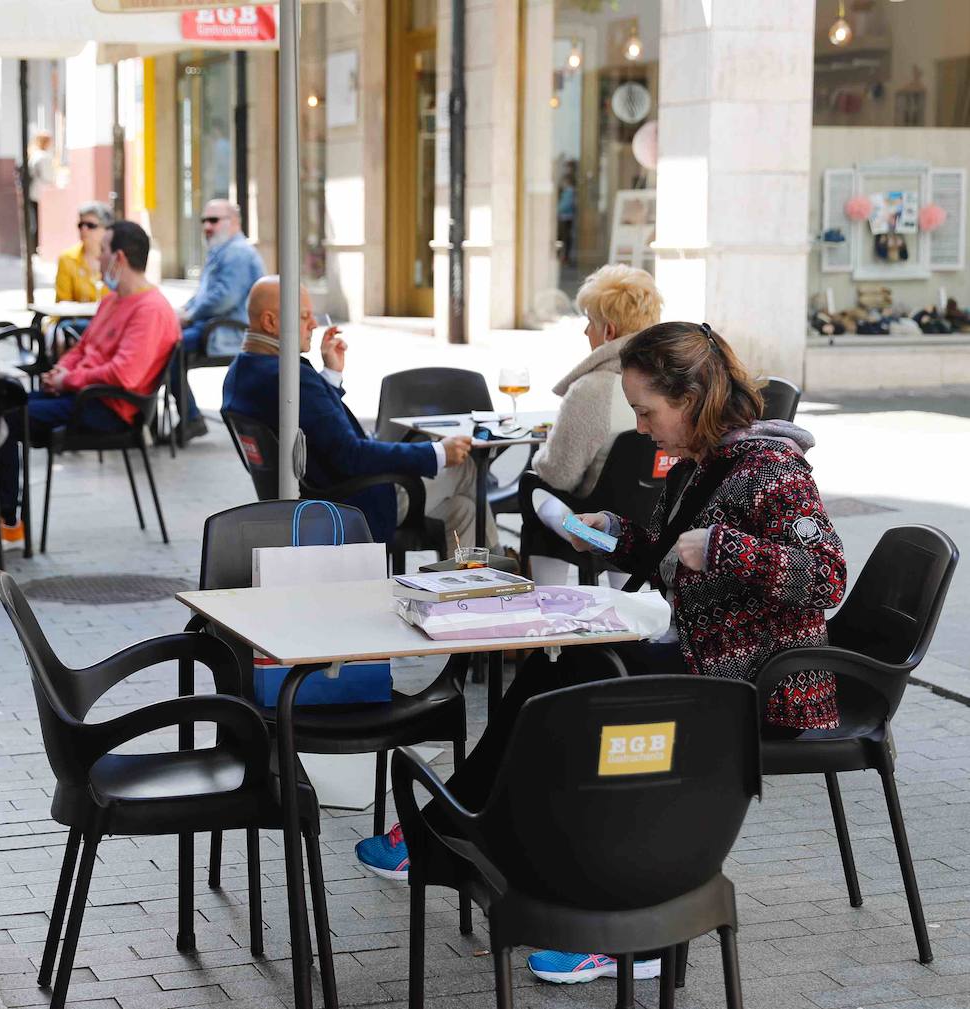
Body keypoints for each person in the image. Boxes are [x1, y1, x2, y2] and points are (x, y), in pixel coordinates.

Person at [355, 320, 846, 986]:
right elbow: (673, 550)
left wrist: (726, 548)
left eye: (647, 410)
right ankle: (470, 837)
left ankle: (620, 924)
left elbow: (827, 574)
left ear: (694, 396)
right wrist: (611, 536)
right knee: (565, 667)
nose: (641, 426)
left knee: (591, 691)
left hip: (760, 682)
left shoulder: (771, 467)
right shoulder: (710, 462)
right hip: (712, 660)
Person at [0, 221, 179, 555]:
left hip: (110, 408)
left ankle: (6, 521)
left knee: (6, 424)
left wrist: (68, 380)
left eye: (103, 251)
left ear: (120, 258)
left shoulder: (151, 309)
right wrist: (61, 371)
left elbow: (124, 374)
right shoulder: (112, 300)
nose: (97, 259)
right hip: (81, 394)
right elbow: (82, 348)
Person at [222, 276, 492, 556]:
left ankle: (473, 577)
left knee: (463, 510)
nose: (313, 324)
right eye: (304, 317)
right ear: (270, 322)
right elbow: (351, 455)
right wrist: (436, 452)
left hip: (313, 496)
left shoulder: (242, 372)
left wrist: (331, 375)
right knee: (465, 467)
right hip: (350, 502)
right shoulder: (290, 378)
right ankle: (506, 571)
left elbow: (313, 425)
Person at [519, 263, 662, 583]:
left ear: (608, 330)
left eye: (589, 323)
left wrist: (542, 454)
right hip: (653, 514)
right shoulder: (666, 382)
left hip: (595, 517)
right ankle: (626, 593)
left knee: (534, 488)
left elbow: (559, 475)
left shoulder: (591, 388)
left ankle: (547, 599)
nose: (586, 332)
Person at [171, 199, 265, 442]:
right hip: (212, 327)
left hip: (228, 332)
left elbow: (223, 298)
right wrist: (183, 310)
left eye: (213, 220)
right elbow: (205, 295)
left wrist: (190, 315)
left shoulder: (238, 253)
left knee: (169, 346)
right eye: (204, 220)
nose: (207, 226)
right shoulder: (222, 250)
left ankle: (190, 419)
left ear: (234, 222)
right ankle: (184, 417)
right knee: (162, 341)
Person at [50, 201, 111, 349]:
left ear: (106, 229)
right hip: (75, 322)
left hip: (108, 322)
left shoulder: (115, 258)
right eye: (80, 225)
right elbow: (62, 302)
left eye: (90, 225)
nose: (84, 229)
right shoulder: (67, 259)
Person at [26, 130, 56, 254]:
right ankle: (36, 247)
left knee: (34, 220)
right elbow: (48, 177)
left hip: (33, 192)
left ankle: (32, 247)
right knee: (39, 221)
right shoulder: (43, 157)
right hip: (41, 193)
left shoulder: (33, 156)